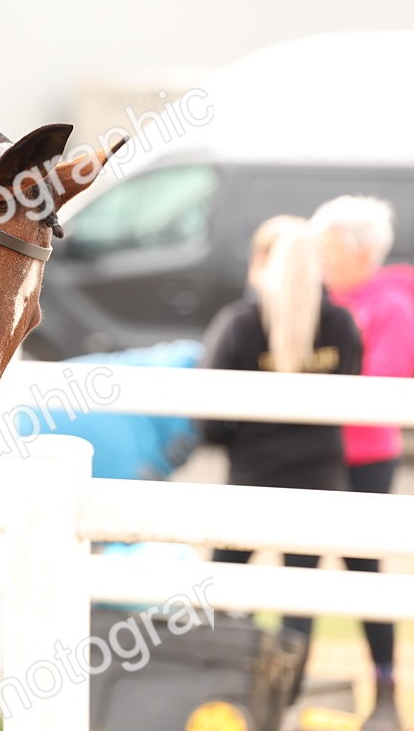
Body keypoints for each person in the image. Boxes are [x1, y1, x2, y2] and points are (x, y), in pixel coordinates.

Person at [201, 216, 362, 702]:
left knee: (226, 589)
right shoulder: (341, 325)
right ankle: (284, 700)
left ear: (262, 262)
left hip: (252, 476)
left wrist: (241, 440)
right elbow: (351, 398)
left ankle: (225, 692)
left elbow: (209, 419)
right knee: (299, 598)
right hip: (319, 478)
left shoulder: (240, 323)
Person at [311, 195, 414, 731]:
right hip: (313, 455)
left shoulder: (390, 305)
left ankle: (386, 689)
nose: (321, 258)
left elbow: (383, 383)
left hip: (364, 459)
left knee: (365, 571)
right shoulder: (319, 297)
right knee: (298, 566)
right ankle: (281, 681)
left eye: (329, 249)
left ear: (361, 251)